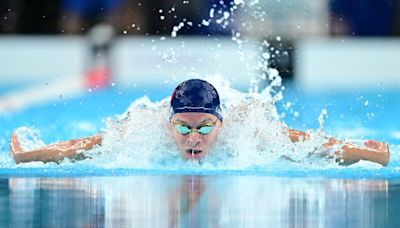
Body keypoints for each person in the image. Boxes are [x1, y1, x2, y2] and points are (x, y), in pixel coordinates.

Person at [9, 79, 390, 166]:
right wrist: (33, 155)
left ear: (220, 125)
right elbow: (89, 145)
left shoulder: (246, 129)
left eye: (205, 128)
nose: (195, 137)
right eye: (185, 128)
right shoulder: (146, 128)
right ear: (170, 124)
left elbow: (309, 143)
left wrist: (367, 154)